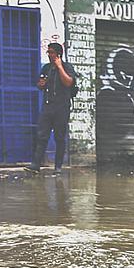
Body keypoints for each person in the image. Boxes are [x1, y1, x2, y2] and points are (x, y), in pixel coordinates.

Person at [26, 41, 78, 175]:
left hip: (62, 108)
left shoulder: (67, 67)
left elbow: (68, 82)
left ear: (58, 54)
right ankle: (36, 165)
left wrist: (60, 67)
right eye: (48, 52)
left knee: (60, 137)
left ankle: (58, 167)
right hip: (48, 107)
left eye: (52, 52)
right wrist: (41, 84)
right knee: (42, 136)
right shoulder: (46, 68)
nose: (49, 54)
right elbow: (40, 84)